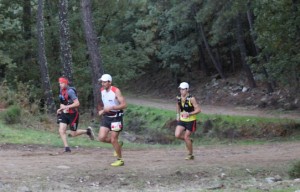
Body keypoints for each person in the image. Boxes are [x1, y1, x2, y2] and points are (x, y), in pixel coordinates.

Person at [56, 77, 95, 153]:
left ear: (66, 83)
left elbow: (77, 103)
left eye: (62, 83)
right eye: (59, 83)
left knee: (73, 133)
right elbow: (62, 102)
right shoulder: (61, 90)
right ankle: (67, 148)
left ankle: (87, 131)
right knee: (61, 130)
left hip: (73, 114)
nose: (60, 85)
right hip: (65, 113)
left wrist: (66, 107)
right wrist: (60, 109)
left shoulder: (70, 91)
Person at [98, 74, 127, 167]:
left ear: (110, 82)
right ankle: (118, 145)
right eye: (102, 82)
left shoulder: (116, 91)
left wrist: (113, 107)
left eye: (104, 82)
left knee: (113, 139)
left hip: (116, 117)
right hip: (107, 117)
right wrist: (102, 110)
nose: (103, 84)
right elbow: (104, 102)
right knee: (101, 138)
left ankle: (120, 160)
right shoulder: (102, 90)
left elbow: (124, 105)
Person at [175, 82, 201, 160]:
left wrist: (189, 114)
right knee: (177, 135)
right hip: (182, 120)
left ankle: (190, 155)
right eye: (180, 89)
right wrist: (177, 115)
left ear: (187, 89)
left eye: (183, 89)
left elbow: (198, 110)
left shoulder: (191, 98)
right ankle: (189, 141)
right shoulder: (178, 97)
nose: (181, 91)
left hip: (191, 121)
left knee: (186, 137)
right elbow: (178, 106)